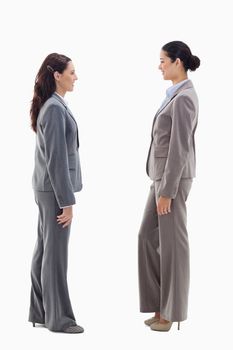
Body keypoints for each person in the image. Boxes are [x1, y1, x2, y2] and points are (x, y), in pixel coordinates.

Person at [138, 41, 200, 332]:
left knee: (173, 246)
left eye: (163, 60)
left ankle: (171, 313)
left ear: (178, 62)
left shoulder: (186, 97)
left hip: (171, 181)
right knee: (146, 238)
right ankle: (159, 305)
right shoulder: (173, 95)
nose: (159, 65)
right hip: (160, 178)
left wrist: (168, 191)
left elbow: (180, 149)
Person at [28, 53, 84, 333]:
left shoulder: (53, 105)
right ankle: (59, 319)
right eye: (72, 72)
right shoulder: (53, 108)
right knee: (55, 255)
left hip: (47, 189)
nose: (76, 77)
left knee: (45, 251)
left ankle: (40, 311)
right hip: (54, 192)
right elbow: (57, 161)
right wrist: (67, 202)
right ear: (57, 75)